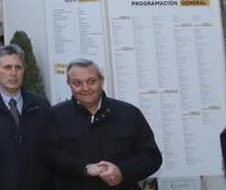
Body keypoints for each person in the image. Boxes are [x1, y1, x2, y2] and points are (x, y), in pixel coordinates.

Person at [42, 59, 162, 190]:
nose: (85, 88)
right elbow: (49, 156)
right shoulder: (54, 116)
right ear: (69, 84)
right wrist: (84, 168)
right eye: (77, 83)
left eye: (91, 81)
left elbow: (151, 156)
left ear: (102, 81)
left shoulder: (129, 114)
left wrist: (122, 171)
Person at [0, 45, 51, 190]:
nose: (13, 73)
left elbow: (50, 150)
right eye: (7, 67)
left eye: (18, 67)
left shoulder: (40, 105)